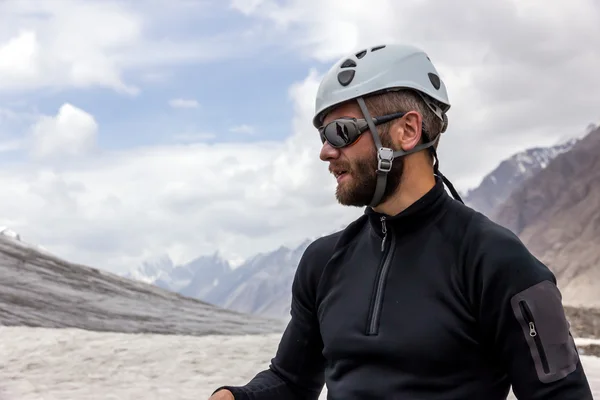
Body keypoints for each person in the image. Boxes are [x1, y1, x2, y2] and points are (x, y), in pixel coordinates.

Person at [209, 43, 593, 399]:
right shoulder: (322, 261)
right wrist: (235, 397)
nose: (325, 152)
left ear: (407, 131)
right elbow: (291, 381)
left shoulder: (498, 261)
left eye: (340, 132)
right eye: (323, 136)